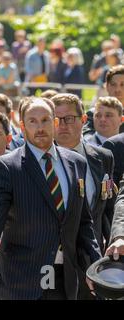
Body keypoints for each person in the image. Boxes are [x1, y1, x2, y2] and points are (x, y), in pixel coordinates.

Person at [0, 97, 101, 300]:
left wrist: (96, 265)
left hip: (66, 278)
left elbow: (84, 222)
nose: (40, 127)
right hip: (21, 279)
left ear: (55, 122)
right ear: (22, 126)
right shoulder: (6, 166)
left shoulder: (76, 163)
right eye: (33, 121)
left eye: (45, 120)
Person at [52, 93, 115, 254]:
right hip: (52, 256)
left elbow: (108, 209)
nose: (62, 125)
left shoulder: (103, 157)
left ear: (84, 120)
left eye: (69, 118)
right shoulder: (39, 161)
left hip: (91, 253)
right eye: (56, 120)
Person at [84, 65, 124, 136]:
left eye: (122, 85)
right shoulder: (92, 114)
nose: (118, 89)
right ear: (107, 86)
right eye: (113, 84)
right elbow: (87, 137)